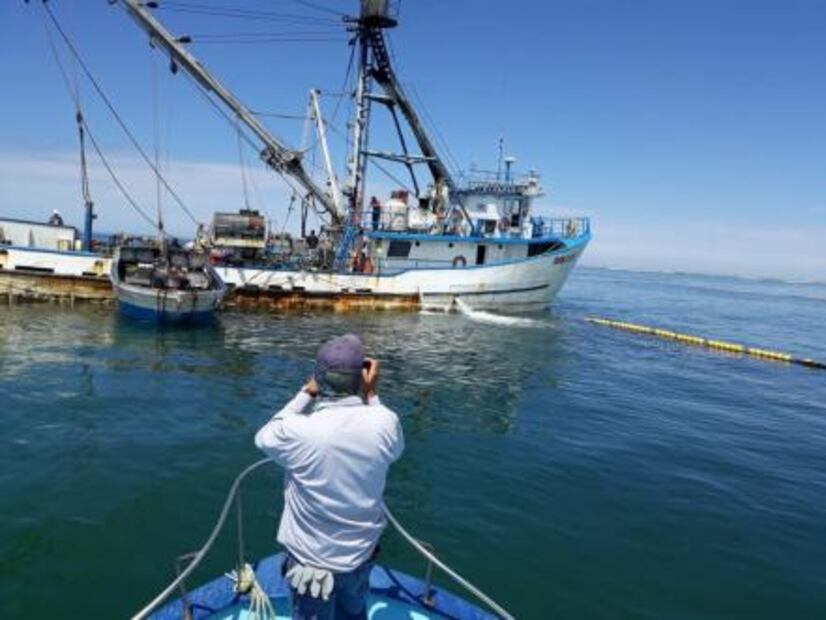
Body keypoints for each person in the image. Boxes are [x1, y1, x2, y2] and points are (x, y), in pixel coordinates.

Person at [255, 334, 404, 620]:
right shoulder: (386, 422)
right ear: (363, 377)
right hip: (360, 558)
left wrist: (306, 392)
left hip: (312, 567)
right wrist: (371, 393)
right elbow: (393, 444)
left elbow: (264, 437)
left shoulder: (298, 431)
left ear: (318, 377)